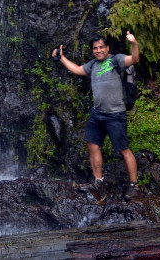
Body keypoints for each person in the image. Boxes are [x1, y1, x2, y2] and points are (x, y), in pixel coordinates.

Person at [52, 32, 140, 198]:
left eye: (101, 47)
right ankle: (98, 180)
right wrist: (61, 58)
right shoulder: (92, 65)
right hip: (97, 114)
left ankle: (134, 185)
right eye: (95, 48)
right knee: (92, 145)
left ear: (107, 48)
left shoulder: (116, 60)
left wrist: (134, 44)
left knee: (123, 150)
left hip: (115, 115)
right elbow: (77, 69)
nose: (98, 50)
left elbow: (134, 59)